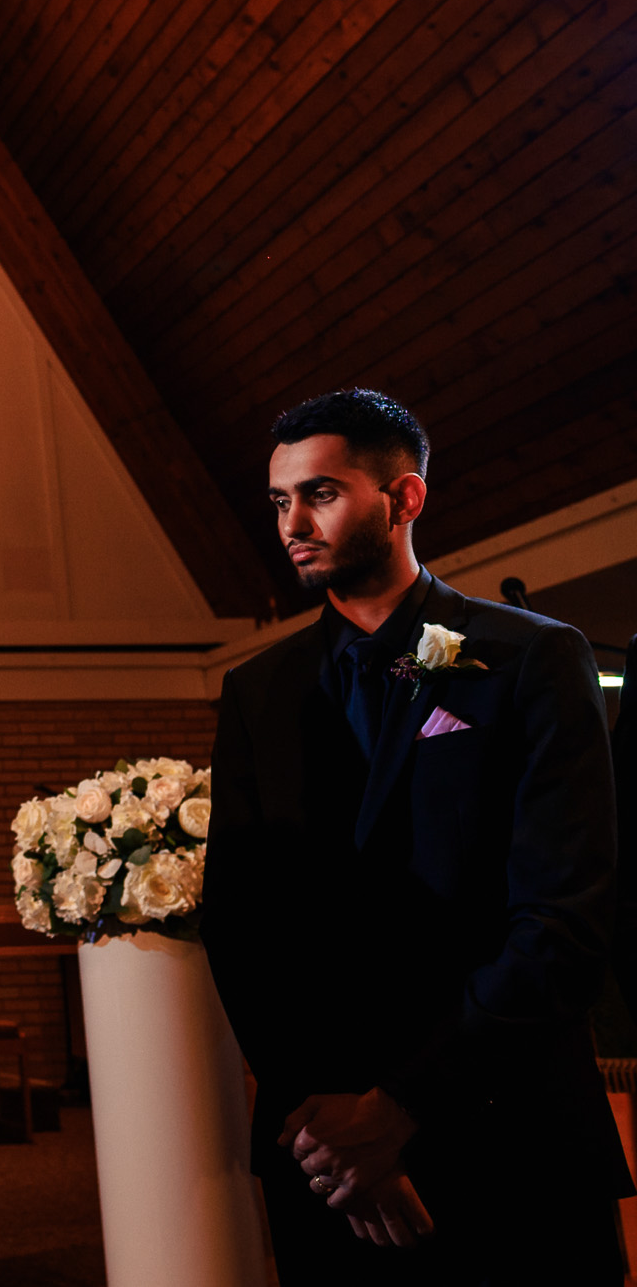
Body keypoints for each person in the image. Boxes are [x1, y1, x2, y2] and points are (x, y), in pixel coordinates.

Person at [204, 389, 631, 1284]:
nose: (292, 525)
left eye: (321, 494)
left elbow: (563, 918)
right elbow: (243, 926)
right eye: (280, 501)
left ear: (405, 498)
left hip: (510, 1135)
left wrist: (399, 1109)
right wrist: (334, 1129)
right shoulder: (257, 692)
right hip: (328, 1162)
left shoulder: (530, 658)